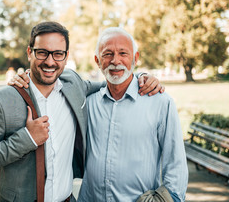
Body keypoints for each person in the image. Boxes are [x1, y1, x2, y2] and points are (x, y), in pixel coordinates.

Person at [0, 21, 163, 202]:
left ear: (66, 56)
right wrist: (26, 139)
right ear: (29, 52)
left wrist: (141, 77)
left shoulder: (74, 85)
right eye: (42, 52)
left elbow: (112, 82)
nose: (50, 62)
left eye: (58, 54)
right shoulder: (2, 100)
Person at [77, 27, 188, 202]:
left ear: (135, 58)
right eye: (108, 54)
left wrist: (169, 199)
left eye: (123, 53)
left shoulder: (160, 103)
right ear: (97, 61)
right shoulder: (88, 104)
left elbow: (176, 164)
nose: (115, 61)